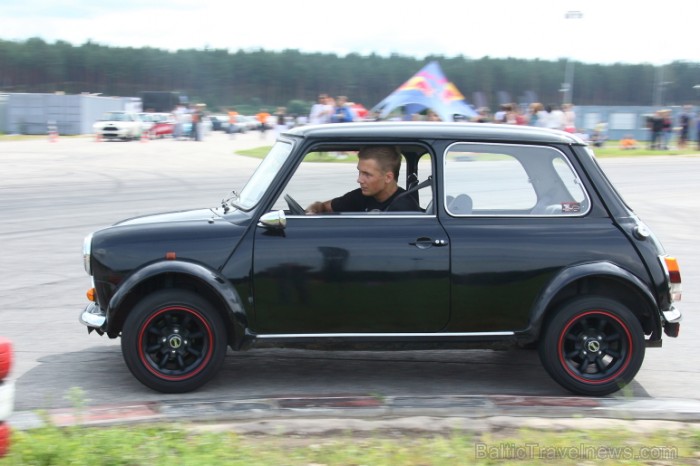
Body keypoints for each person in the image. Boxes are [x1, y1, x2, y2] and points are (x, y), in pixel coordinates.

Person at [305, 146, 421, 214]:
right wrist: (313, 210)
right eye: (360, 172)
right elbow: (324, 206)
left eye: (367, 174)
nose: (359, 180)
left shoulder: (405, 209)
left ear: (388, 177)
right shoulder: (361, 196)